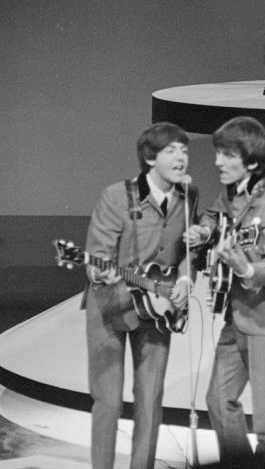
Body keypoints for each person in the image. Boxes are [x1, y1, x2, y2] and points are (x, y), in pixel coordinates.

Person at [82, 122, 198, 469]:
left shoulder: (189, 197)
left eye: (184, 150)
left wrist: (185, 281)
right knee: (109, 402)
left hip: (158, 309)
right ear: (150, 158)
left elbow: (188, 254)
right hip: (110, 306)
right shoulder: (117, 196)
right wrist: (97, 271)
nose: (181, 157)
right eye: (171, 151)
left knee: (150, 401)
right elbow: (96, 255)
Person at [185, 116, 265, 466]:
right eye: (218, 153)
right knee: (219, 400)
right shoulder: (234, 191)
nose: (217, 162)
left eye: (226, 155)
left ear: (251, 161)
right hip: (236, 314)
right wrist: (203, 233)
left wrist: (246, 269)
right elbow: (213, 216)